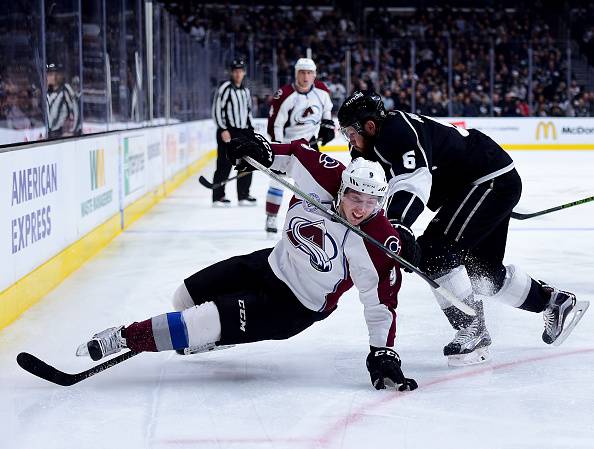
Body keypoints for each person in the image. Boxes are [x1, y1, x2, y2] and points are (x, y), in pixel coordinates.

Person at [77, 133, 419, 391]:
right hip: (268, 266)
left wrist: (383, 352)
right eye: (355, 198)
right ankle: (206, 336)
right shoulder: (323, 175)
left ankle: (121, 337)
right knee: (183, 298)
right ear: (342, 189)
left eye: (370, 203)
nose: (360, 209)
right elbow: (293, 154)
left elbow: (380, 305)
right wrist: (262, 150)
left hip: (294, 307)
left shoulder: (377, 241)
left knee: (201, 320)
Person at [337, 91, 589, 366]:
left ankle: (472, 329)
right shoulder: (366, 149)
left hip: (489, 181)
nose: (349, 139)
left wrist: (399, 225)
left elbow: (411, 181)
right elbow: (362, 188)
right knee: (483, 270)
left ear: (370, 126)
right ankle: (554, 302)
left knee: (434, 253)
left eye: (350, 132)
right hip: (485, 183)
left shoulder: (397, 132)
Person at [265, 57, 335, 233]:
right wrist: (278, 148)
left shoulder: (322, 91)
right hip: (287, 145)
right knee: (277, 182)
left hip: (309, 146)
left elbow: (327, 112)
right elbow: (275, 124)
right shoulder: (285, 94)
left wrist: (327, 126)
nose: (306, 76)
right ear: (296, 74)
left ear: (314, 75)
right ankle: (271, 218)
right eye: (302, 72)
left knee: (312, 184)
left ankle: (310, 220)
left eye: (309, 73)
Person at [211, 58, 256, 207]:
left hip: (243, 132)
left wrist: (251, 131)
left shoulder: (245, 91)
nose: (238, 74)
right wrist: (223, 129)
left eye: (240, 71)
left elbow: (248, 112)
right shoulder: (225, 88)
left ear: (244, 73)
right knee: (224, 164)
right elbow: (217, 109)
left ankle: (243, 195)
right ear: (231, 72)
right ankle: (218, 197)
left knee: (247, 163)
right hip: (228, 131)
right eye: (235, 71)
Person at [46, 62, 80, 138]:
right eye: (51, 74)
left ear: (62, 75)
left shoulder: (66, 90)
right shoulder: (46, 92)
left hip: (60, 134)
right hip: (48, 133)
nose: (54, 77)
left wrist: (72, 131)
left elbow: (76, 111)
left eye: (57, 74)